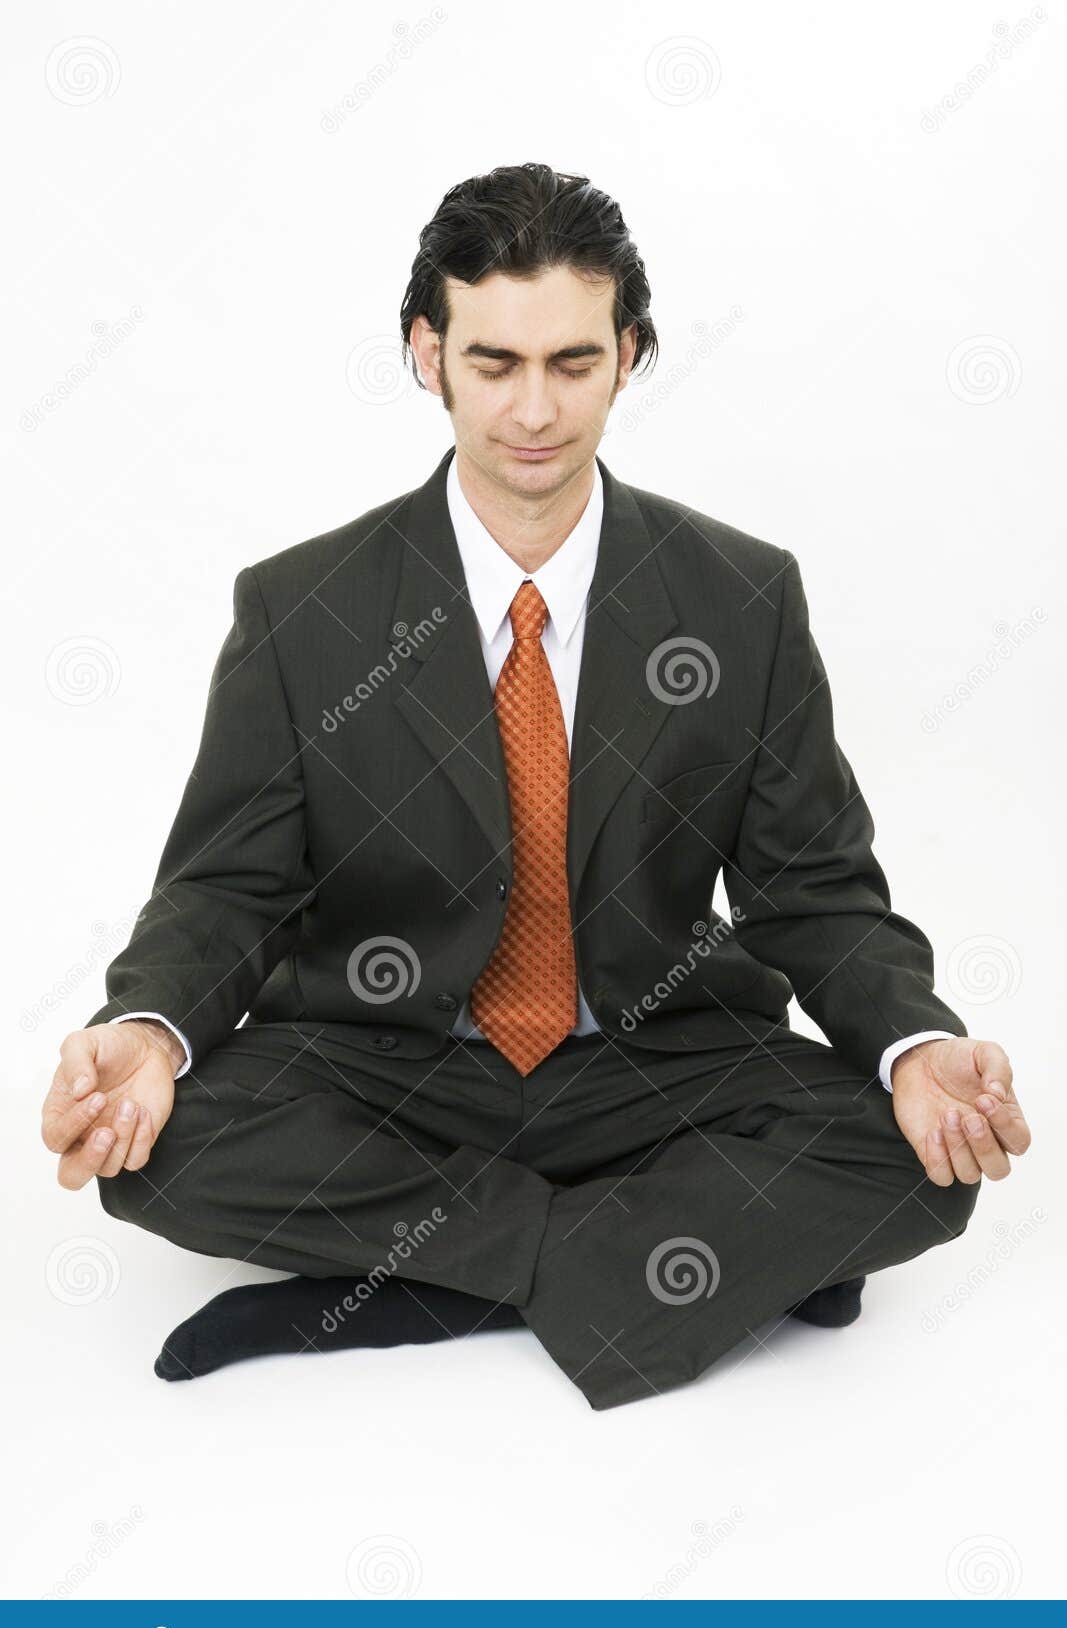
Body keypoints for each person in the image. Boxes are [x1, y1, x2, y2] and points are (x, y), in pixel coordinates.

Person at [40, 163, 1030, 1411]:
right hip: (394, 1061)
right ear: (426, 353)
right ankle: (674, 1266)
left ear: (628, 355)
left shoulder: (739, 597)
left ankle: (423, 1276)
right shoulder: (303, 611)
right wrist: (145, 1028)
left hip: (647, 1061)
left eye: (571, 361)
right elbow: (228, 886)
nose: (532, 410)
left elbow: (812, 892)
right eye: (493, 361)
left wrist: (911, 1042)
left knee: (924, 1162)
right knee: (157, 1146)